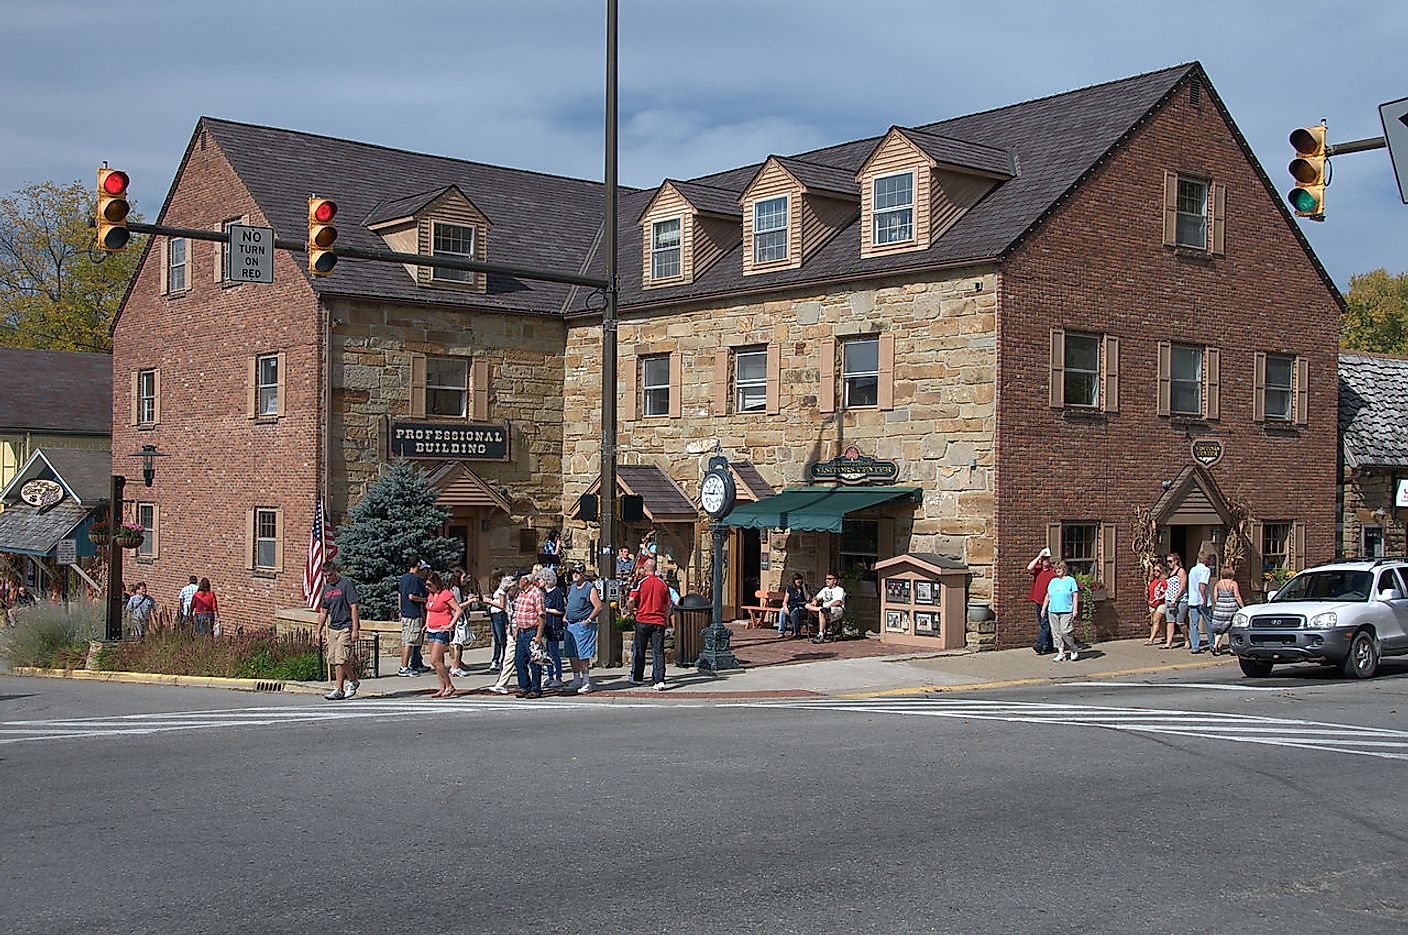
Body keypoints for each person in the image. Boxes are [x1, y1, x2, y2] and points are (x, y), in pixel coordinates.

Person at [316, 564, 361, 701]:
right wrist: (318, 632)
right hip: (333, 628)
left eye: (330, 575)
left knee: (341, 658)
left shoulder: (346, 585)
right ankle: (347, 684)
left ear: (335, 571)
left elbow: (354, 607)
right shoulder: (327, 589)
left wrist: (355, 629)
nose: (328, 578)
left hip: (345, 626)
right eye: (325, 576)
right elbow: (323, 612)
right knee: (335, 659)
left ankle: (345, 686)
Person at [628, 557, 671, 690]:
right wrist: (665, 617)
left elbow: (631, 600)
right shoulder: (663, 584)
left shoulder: (640, 582)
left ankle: (637, 677)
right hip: (658, 621)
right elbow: (667, 605)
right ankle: (659, 680)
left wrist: (631, 611)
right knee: (658, 651)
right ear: (655, 568)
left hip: (642, 619)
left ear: (645, 568)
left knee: (639, 650)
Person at [423, 573, 464, 698]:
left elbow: (458, 610)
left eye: (430, 585)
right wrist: (426, 624)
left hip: (442, 629)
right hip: (431, 629)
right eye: (426, 585)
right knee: (438, 661)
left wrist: (450, 624)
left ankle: (449, 685)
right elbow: (429, 611)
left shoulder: (445, 594)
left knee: (434, 660)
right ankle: (442, 687)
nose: (427, 587)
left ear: (436, 584)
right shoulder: (431, 595)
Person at [564, 564, 603, 693]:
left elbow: (598, 606)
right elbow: (570, 604)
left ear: (583, 573)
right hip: (571, 624)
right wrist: (566, 616)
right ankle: (576, 679)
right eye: (573, 572)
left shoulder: (589, 588)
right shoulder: (572, 587)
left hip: (582, 624)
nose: (575, 574)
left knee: (583, 654)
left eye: (577, 572)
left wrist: (589, 620)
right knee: (572, 654)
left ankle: (586, 681)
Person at [511, 572, 546, 699]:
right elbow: (519, 613)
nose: (518, 582)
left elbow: (541, 615)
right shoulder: (521, 593)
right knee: (519, 661)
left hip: (532, 631)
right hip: (521, 632)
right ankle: (524, 686)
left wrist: (538, 636)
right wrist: (516, 629)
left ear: (526, 580)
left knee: (535, 662)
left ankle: (536, 689)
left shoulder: (536, 594)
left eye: (519, 579)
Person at [1042, 561, 1081, 662]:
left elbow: (1075, 595)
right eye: (1056, 569)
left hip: (1066, 610)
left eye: (1060, 568)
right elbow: (1048, 595)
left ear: (1064, 569)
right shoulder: (1053, 581)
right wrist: (1043, 608)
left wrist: (1075, 609)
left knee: (1065, 631)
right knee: (1056, 633)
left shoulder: (1070, 580)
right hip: (1053, 610)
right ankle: (1061, 653)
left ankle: (1073, 648)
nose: (1058, 571)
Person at [397, 556, 428, 677]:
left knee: (407, 641)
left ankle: (406, 665)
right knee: (409, 641)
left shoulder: (403, 578)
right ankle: (404, 667)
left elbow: (399, 595)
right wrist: (424, 600)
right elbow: (412, 596)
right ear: (418, 564)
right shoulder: (415, 579)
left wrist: (400, 610)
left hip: (405, 612)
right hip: (413, 613)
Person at [1209, 561, 1245, 656]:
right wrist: (1242, 607)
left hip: (1220, 608)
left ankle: (1215, 645)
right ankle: (1232, 648)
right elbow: (1237, 596)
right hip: (1231, 608)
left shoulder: (1218, 584)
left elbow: (1215, 596)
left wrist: (1219, 604)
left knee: (1220, 629)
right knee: (1231, 628)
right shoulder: (1233, 583)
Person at [539, 568, 567, 688]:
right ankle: (549, 676)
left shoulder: (556, 593)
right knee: (546, 653)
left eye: (541, 579)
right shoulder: (543, 592)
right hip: (545, 625)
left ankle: (559, 676)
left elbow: (560, 610)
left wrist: (547, 610)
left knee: (554, 653)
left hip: (554, 625)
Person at [447, 571, 479, 677]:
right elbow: (458, 605)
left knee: (459, 644)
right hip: (457, 619)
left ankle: (458, 664)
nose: (465, 579)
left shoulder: (460, 589)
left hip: (460, 618)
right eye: (463, 577)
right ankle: (455, 667)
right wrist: (470, 601)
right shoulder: (455, 590)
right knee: (457, 644)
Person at [1027, 548, 1057, 655]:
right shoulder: (1038, 570)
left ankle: (1039, 646)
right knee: (1043, 623)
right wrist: (1039, 556)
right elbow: (1029, 567)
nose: (1046, 561)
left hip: (1048, 601)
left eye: (1047, 559)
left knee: (1045, 624)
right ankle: (1049, 646)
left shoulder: (1053, 572)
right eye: (1044, 560)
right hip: (1038, 600)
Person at [806, 571, 847, 644]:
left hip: (836, 609)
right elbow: (816, 597)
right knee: (807, 606)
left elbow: (838, 602)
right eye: (826, 579)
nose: (827, 580)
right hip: (824, 610)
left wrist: (828, 606)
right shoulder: (825, 589)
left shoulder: (839, 589)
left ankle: (821, 634)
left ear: (835, 580)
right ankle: (821, 610)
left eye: (829, 579)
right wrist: (814, 601)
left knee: (823, 611)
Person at [483, 570, 511, 673]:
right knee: (497, 640)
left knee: (502, 639)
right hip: (494, 615)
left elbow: (502, 606)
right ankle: (495, 660)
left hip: (499, 615)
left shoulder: (502, 591)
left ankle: (504, 660)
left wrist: (489, 601)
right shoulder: (497, 589)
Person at [1186, 551, 1214, 654]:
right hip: (1202, 601)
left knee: (1194, 624)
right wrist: (1203, 598)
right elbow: (1202, 585)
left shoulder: (1192, 570)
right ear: (1206, 560)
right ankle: (1212, 644)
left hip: (1193, 600)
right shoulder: (1206, 570)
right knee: (1208, 623)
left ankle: (1195, 646)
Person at [1161, 552, 1189, 650]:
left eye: (1170, 561)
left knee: (1180, 621)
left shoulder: (1181, 571)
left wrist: (1176, 598)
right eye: (1167, 561)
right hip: (1169, 599)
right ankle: (1169, 643)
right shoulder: (1169, 572)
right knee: (1170, 621)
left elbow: (1182, 585)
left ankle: (1186, 639)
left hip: (1180, 600)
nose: (1168, 563)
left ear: (1176, 561)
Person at [781, 572, 812, 638]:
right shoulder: (790, 588)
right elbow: (785, 601)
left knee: (794, 613)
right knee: (782, 611)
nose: (798, 581)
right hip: (791, 606)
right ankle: (781, 632)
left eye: (799, 579)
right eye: (796, 579)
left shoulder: (805, 588)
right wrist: (785, 608)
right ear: (794, 581)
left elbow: (808, 598)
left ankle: (796, 632)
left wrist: (803, 588)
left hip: (801, 607)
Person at [1144, 563, 1168, 645]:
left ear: (1161, 571)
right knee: (1160, 622)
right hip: (1152, 603)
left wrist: (1160, 598)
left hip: (1161, 603)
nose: (1156, 572)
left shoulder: (1163, 581)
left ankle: (1151, 639)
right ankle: (1166, 636)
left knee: (1156, 621)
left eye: (1158, 570)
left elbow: (1166, 592)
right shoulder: (1152, 581)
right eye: (1154, 570)